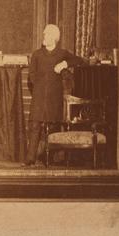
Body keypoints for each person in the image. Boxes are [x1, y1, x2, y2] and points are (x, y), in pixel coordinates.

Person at [25, 24, 85, 166]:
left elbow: (80, 60)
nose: (43, 36)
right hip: (39, 96)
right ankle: (30, 158)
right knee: (35, 125)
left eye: (46, 34)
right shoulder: (37, 54)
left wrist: (65, 63)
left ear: (53, 37)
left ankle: (51, 158)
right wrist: (38, 87)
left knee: (53, 126)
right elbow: (31, 75)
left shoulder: (62, 54)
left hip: (54, 97)